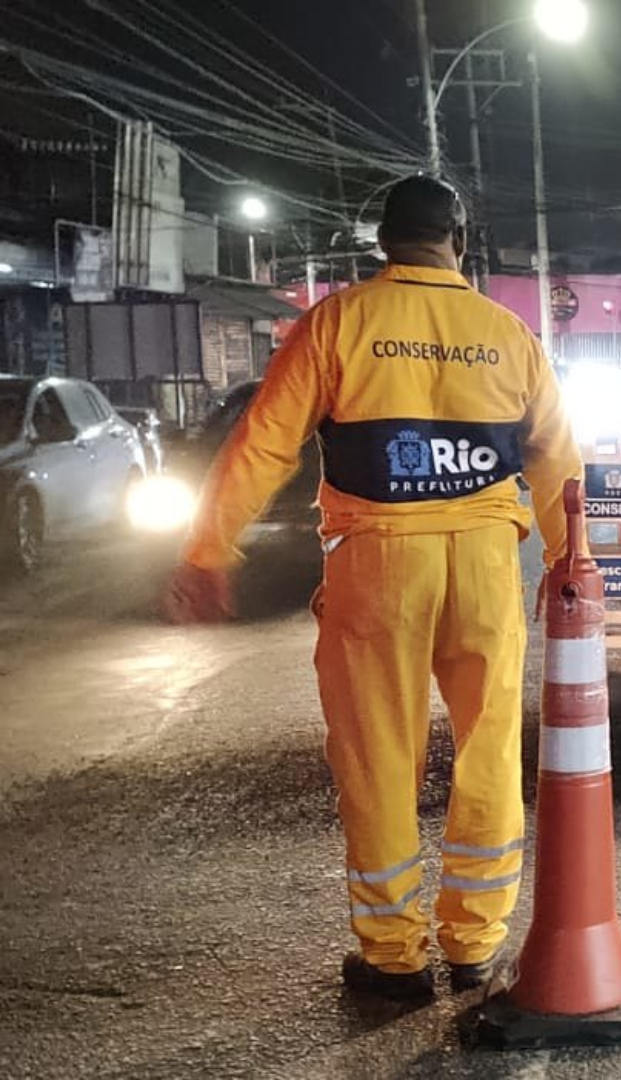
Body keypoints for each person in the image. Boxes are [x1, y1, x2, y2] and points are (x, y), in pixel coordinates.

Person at [162, 175, 582, 1001]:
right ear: (458, 240)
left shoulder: (337, 323)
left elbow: (263, 447)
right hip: (485, 564)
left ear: (384, 243)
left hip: (379, 565)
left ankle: (392, 957)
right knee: (489, 747)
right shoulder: (508, 336)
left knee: (378, 758)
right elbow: (558, 464)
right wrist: (569, 567)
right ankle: (472, 943)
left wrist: (208, 551)